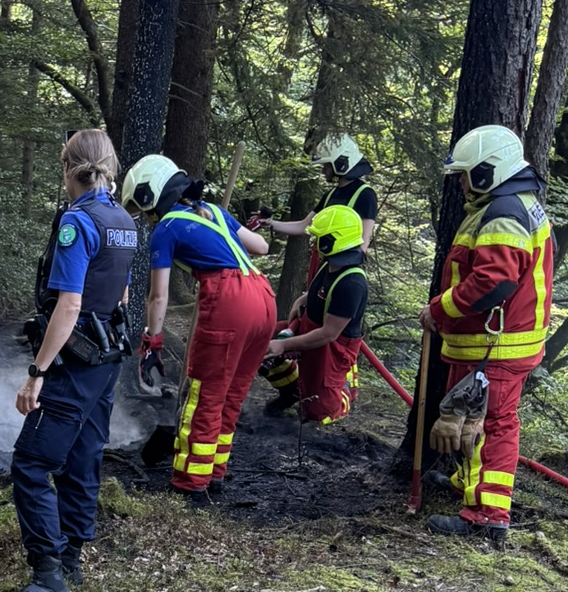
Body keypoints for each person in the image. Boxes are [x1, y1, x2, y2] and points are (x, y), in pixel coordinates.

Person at [0, 128, 137, 592]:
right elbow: (120, 297)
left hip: (76, 362)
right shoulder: (123, 220)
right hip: (107, 360)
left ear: (67, 169)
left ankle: (48, 579)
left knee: (31, 464)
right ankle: (72, 555)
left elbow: (70, 303)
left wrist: (38, 370)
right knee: (84, 456)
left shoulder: (78, 223)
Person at [423, 124, 552, 548]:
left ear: (487, 171)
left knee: (489, 424)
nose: (461, 183)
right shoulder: (509, 206)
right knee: (469, 419)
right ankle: (470, 486)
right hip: (487, 343)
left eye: (466, 174)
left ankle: (486, 516)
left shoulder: (504, 212)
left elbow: (493, 283)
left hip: (495, 346)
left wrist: (439, 309)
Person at [121, 154, 276, 506]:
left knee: (204, 394)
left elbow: (158, 296)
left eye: (141, 208)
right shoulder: (213, 212)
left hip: (230, 299)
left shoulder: (166, 229)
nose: (144, 218)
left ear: (152, 196)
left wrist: (152, 341)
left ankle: (190, 484)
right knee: (231, 394)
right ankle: (214, 473)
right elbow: (261, 247)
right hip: (263, 297)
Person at [261, 203, 369, 424]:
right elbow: (319, 289)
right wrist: (302, 299)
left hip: (331, 347)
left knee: (320, 413)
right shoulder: (330, 263)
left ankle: (344, 391)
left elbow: (328, 334)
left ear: (334, 241)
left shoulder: (352, 283)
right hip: (309, 328)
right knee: (258, 339)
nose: (314, 243)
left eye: (319, 238)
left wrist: (284, 345)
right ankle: (291, 390)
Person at [261, 133, 379, 281]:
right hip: (323, 262)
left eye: (326, 166)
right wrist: (270, 224)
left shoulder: (365, 194)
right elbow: (302, 226)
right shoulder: (330, 195)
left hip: (343, 269)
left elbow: (363, 240)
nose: (323, 171)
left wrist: (338, 273)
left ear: (340, 164)